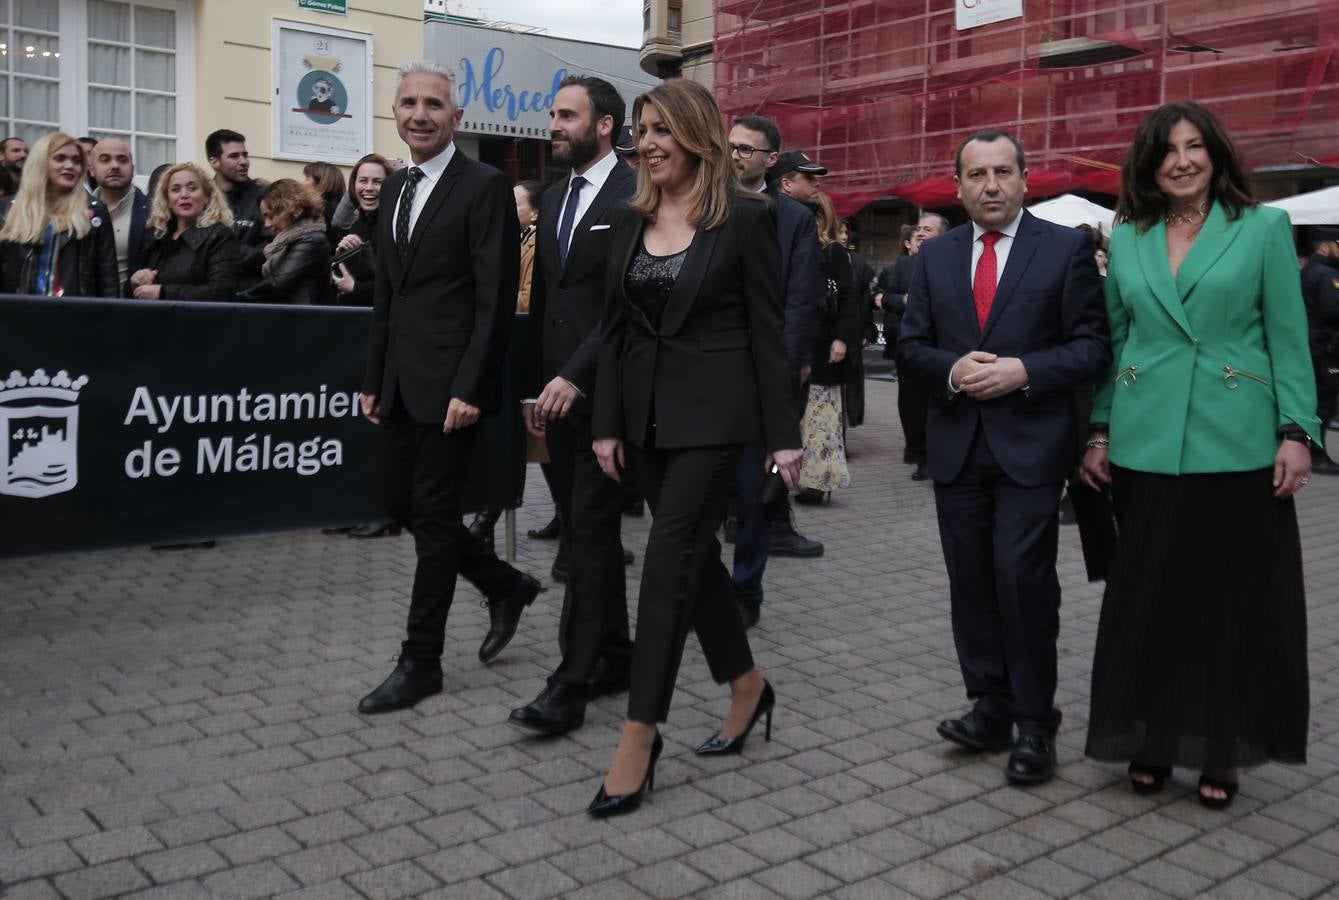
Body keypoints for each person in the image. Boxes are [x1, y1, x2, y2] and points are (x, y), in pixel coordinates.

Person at [1081, 101, 1319, 808]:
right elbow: (1117, 344)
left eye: (1194, 146)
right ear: (1147, 163)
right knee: (1150, 601)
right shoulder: (1126, 237)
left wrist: (1295, 431)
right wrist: (1099, 430)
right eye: (1166, 150)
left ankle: (1222, 745)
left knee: (1228, 603)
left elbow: (1286, 336)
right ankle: (1150, 736)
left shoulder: (1263, 228)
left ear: (1215, 153)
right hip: (1145, 442)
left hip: (1236, 440)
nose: (1181, 160)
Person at [586, 78, 802, 817]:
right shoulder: (627, 216)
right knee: (693, 564)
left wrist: (784, 436)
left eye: (660, 130)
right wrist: (606, 422)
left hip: (715, 422)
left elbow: (768, 332)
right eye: (640, 131)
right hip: (643, 424)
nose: (646, 143)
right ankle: (746, 686)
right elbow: (614, 329)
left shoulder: (745, 220)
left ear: (697, 136)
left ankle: (638, 736)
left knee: (663, 565)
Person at [898, 129, 1110, 786]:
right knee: (970, 581)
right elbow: (909, 347)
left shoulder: (1065, 249)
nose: (989, 186)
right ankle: (987, 706)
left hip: (1031, 447)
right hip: (957, 446)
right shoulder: (934, 259)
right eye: (976, 175)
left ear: (1024, 179)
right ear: (957, 186)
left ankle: (1034, 724)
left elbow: (1091, 346)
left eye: (1001, 172)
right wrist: (952, 369)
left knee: (1022, 581)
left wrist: (1025, 370)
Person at [357, 60, 537, 714]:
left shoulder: (483, 184)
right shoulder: (397, 186)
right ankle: (503, 583)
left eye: (434, 103)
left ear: (456, 118)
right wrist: (374, 376)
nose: (420, 114)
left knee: (432, 517)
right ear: (396, 112)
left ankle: (420, 660)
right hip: (401, 382)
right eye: (408, 103)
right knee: (401, 505)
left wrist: (472, 385)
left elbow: (492, 296)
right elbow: (389, 297)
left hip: (451, 385)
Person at [508, 75, 637, 735]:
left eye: (565, 115)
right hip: (554, 401)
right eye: (552, 114)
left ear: (606, 124)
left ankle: (571, 681)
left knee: (587, 537)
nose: (553, 125)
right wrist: (538, 386)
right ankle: (615, 654)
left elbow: (626, 306)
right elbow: (549, 304)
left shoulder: (636, 194)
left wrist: (577, 376)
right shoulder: (555, 196)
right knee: (589, 533)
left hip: (610, 398)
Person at [724, 117, 824, 630]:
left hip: (763, 377)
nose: (736, 155)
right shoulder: (706, 204)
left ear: (771, 158)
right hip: (707, 374)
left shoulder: (794, 219)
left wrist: (780, 380)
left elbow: (799, 302)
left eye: (747, 149)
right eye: (731, 146)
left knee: (752, 492)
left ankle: (746, 588)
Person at [465, 177, 547, 551]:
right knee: (534, 447)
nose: (508, 209)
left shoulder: (539, 244)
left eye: (516, 203)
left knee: (530, 443)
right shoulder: (513, 240)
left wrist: (494, 299)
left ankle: (486, 520)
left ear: (534, 211)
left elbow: (529, 299)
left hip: (530, 354)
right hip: (512, 351)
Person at [795, 192, 858, 503]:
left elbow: (849, 298)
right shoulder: (802, 249)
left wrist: (842, 338)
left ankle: (818, 483)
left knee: (822, 417)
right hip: (804, 342)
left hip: (825, 346)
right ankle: (805, 478)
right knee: (806, 416)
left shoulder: (833, 252)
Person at [0, 132, 117, 297]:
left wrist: (110, 320)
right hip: (18, 315)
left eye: (76, 161)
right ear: (40, 162)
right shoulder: (7, 208)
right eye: (60, 158)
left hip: (73, 316)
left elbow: (108, 279)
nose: (70, 166)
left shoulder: (95, 212)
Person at [886, 213, 950, 480]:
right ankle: (921, 456)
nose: (921, 233)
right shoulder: (904, 266)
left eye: (928, 229)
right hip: (911, 349)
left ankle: (941, 456)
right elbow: (885, 298)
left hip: (944, 349)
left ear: (943, 236)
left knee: (941, 404)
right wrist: (903, 300)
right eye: (919, 229)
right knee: (911, 406)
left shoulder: (954, 263)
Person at [128, 162, 241, 301]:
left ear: (207, 196)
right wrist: (136, 281)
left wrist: (163, 293)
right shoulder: (157, 235)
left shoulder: (220, 236)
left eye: (192, 188)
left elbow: (222, 291)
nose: (184, 195)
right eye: (175, 189)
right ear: (167, 199)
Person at [237, 179, 333, 305]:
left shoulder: (312, 239)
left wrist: (237, 298)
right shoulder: (291, 238)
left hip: (305, 318)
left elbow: (277, 282)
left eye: (270, 216)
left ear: (288, 209)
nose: (267, 224)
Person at [1299, 226, 1339, 474]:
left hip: (1312, 344)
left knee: (1316, 400)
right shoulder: (1326, 274)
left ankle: (1313, 449)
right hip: (1324, 347)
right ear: (1325, 246)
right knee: (1325, 402)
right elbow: (1333, 310)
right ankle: (1316, 452)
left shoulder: (1309, 270)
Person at [88, 137, 151, 290]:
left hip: (136, 308)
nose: (115, 166)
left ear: (133, 168)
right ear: (91, 169)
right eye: (105, 160)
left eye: (122, 160)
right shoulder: (77, 210)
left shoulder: (154, 212)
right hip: (85, 307)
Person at [206, 129, 270, 280]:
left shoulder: (265, 196)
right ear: (214, 161)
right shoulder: (202, 198)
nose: (243, 162)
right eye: (234, 156)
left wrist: (222, 253)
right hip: (209, 293)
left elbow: (271, 249)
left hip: (250, 294)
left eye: (245, 155)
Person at [331, 153, 390, 309]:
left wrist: (355, 289)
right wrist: (342, 254)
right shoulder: (357, 224)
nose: (369, 188)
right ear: (354, 185)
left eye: (377, 182)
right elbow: (346, 276)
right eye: (363, 181)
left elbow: (396, 286)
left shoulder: (395, 225)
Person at [303, 160, 346, 233]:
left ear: (321, 183)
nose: (302, 183)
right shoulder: (339, 207)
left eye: (307, 179)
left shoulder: (323, 210)